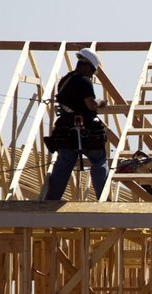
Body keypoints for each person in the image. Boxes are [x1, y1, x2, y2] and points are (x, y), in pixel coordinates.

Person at [43, 48, 108, 201]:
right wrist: (101, 102)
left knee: (64, 165)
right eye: (92, 70)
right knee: (99, 162)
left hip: (66, 132)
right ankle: (103, 199)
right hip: (87, 132)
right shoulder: (84, 81)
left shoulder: (65, 80)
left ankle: (51, 201)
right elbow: (90, 105)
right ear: (87, 66)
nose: (91, 74)